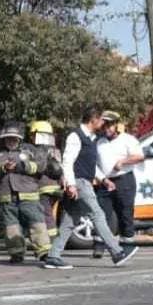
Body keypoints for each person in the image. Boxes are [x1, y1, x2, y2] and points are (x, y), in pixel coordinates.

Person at [43, 106, 140, 270]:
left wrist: (103, 180)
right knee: (98, 214)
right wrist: (71, 184)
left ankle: (53, 256)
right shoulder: (76, 136)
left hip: (84, 181)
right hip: (79, 183)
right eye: (101, 119)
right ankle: (117, 253)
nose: (103, 123)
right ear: (93, 120)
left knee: (69, 221)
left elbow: (90, 165)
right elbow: (67, 161)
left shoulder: (92, 138)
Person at [0, 121, 51, 264]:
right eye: (8, 138)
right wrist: (2, 167)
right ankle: (16, 253)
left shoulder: (30, 151)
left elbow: (41, 166)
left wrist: (22, 166)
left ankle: (44, 252)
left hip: (29, 194)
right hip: (7, 196)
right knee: (11, 227)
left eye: (14, 138)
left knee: (37, 223)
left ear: (20, 138)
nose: (11, 141)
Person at [92, 112, 144, 257]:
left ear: (116, 125)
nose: (106, 129)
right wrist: (102, 178)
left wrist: (123, 162)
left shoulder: (128, 139)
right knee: (101, 214)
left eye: (109, 125)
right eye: (104, 126)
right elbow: (94, 164)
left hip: (124, 181)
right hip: (105, 182)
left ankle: (127, 245)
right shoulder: (99, 142)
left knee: (125, 214)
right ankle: (99, 245)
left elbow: (139, 156)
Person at [29, 120, 64, 231]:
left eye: (33, 135)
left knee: (46, 215)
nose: (31, 137)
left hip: (44, 188)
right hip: (57, 188)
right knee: (50, 213)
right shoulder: (55, 150)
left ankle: (51, 239)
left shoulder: (37, 150)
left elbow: (37, 168)